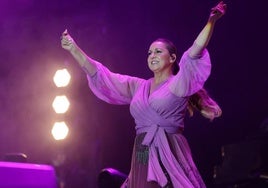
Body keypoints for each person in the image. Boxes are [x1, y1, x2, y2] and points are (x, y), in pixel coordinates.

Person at [61, 1, 226, 187]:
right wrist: (74, 49)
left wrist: (211, 21)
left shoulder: (179, 83)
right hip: (142, 149)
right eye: (149, 53)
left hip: (169, 150)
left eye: (158, 51)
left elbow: (194, 53)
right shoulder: (138, 86)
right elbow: (102, 75)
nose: (152, 56)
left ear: (172, 58)